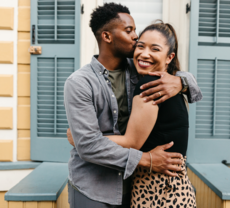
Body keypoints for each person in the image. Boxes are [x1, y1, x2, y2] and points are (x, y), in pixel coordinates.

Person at [64, 3, 202, 208]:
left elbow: (173, 72)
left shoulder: (141, 71)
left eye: (135, 30)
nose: (136, 37)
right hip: (94, 188)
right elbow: (88, 148)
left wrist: (181, 82)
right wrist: (146, 159)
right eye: (129, 30)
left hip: (135, 187)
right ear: (107, 36)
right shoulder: (80, 83)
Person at [105, 21, 196, 208]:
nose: (144, 54)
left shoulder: (150, 85)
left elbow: (132, 142)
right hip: (176, 191)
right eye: (140, 46)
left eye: (154, 49)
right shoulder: (170, 85)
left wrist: (84, 136)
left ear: (169, 57)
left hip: (157, 192)